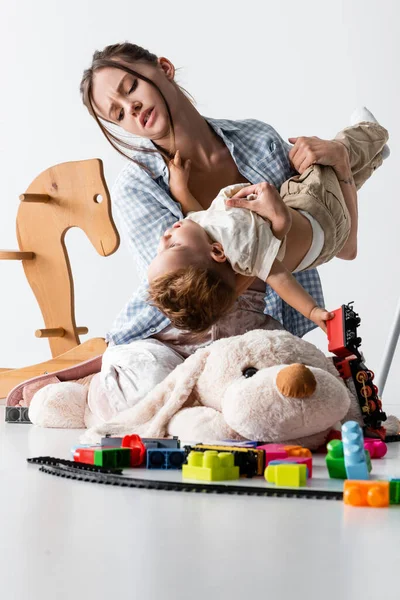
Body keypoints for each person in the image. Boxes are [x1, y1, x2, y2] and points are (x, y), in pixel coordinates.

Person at [75, 41, 357, 423]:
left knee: (308, 396)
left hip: (265, 339)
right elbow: (186, 291)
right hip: (179, 340)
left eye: (131, 89)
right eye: (118, 113)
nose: (132, 109)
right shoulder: (137, 185)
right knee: (148, 380)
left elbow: (339, 244)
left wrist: (341, 164)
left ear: (165, 68)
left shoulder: (258, 139)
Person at [147, 112, 389, 333]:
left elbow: (193, 211)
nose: (164, 237)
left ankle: (376, 156)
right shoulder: (242, 247)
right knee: (326, 159)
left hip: (316, 232)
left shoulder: (203, 233)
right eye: (173, 246)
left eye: (160, 249)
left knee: (334, 181)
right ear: (217, 251)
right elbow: (279, 278)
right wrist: (313, 311)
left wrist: (179, 187)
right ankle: (370, 131)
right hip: (318, 215)